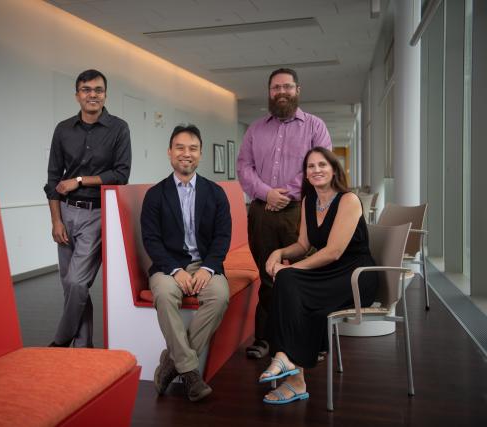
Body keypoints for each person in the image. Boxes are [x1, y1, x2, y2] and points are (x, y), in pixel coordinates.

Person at [257, 147, 378, 405]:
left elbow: (333, 252)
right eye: (310, 166)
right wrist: (279, 252)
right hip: (330, 274)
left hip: (356, 276)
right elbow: (302, 244)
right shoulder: (309, 201)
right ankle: (291, 369)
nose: (316, 170)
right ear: (306, 174)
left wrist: (290, 268)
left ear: (333, 169)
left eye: (322, 164)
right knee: (288, 284)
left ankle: (287, 363)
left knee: (289, 280)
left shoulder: (348, 200)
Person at [237, 68, 332, 359]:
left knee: (306, 273)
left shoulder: (315, 127)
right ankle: (266, 340)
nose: (281, 92)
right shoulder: (255, 129)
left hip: (301, 211)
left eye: (287, 87)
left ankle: (311, 340)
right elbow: (243, 166)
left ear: (297, 90)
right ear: (269, 92)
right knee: (268, 276)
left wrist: (285, 194)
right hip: (261, 212)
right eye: (276, 87)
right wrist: (267, 194)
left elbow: (319, 167)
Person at [141, 124, 231, 402]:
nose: (186, 153)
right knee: (165, 294)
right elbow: (151, 240)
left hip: (206, 264)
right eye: (180, 147)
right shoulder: (155, 194)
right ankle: (191, 374)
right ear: (170, 153)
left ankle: (171, 363)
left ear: (200, 154)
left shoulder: (215, 193)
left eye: (192, 148)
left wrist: (208, 267)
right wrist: (175, 270)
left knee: (219, 295)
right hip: (168, 266)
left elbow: (222, 236)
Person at [44, 69, 131, 348]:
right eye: (86, 89)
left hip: (97, 214)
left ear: (105, 94)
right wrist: (56, 221)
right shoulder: (63, 129)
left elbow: (121, 174)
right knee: (70, 287)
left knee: (78, 284)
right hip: (66, 213)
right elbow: (52, 180)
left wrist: (80, 180)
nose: (92, 95)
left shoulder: (119, 128)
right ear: (77, 95)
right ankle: (83, 347)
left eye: (97, 90)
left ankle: (60, 341)